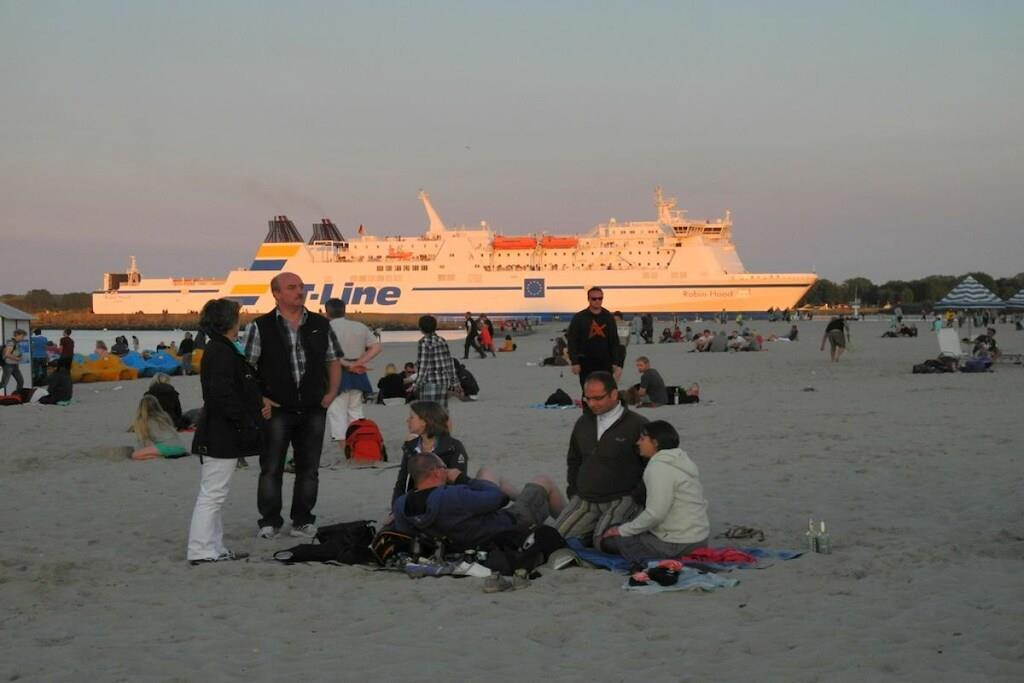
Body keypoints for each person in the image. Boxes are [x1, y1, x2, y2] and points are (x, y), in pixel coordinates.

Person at [243, 272, 343, 540]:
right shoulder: (260, 326)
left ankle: (302, 520)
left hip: (313, 407)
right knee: (271, 467)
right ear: (276, 294)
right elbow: (247, 368)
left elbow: (333, 360)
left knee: (309, 468)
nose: (300, 291)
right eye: (291, 287)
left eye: (301, 286)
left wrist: (332, 392)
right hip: (276, 409)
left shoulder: (321, 324)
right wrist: (260, 398)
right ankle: (269, 521)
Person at [186, 298, 262, 565]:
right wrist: (244, 422)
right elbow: (222, 394)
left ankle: (214, 546)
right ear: (229, 321)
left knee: (215, 493)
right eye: (237, 317)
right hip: (220, 431)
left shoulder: (223, 349)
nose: (240, 321)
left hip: (222, 430)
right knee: (212, 494)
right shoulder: (221, 351)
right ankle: (200, 549)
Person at [392, 452, 564, 551]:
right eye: (444, 468)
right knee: (543, 481)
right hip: (509, 526)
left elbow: (404, 534)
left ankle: (523, 499)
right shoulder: (453, 495)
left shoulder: (401, 504)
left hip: (459, 543)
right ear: (436, 473)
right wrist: (462, 478)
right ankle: (568, 526)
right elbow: (500, 497)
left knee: (486, 473)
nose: (447, 471)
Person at [553, 372, 648, 546]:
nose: (592, 404)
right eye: (588, 398)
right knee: (555, 540)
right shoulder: (583, 423)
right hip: (585, 499)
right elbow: (574, 459)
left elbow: (652, 466)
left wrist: (637, 497)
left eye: (598, 398)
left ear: (614, 394)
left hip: (622, 499)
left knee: (606, 543)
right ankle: (590, 531)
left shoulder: (638, 424)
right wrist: (573, 491)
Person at [600, 420, 709, 563]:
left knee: (609, 541)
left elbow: (655, 514)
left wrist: (622, 531)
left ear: (655, 443)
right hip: (700, 539)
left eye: (642, 439)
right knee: (621, 529)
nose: (638, 443)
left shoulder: (658, 468)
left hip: (679, 543)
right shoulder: (681, 460)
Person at [325, 298, 383, 443]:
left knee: (337, 414)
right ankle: (359, 446)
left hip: (335, 373)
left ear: (327, 312)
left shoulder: (326, 328)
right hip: (357, 372)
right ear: (344, 310)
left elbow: (327, 354)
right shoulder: (359, 326)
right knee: (356, 411)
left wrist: (347, 364)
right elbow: (376, 347)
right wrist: (358, 362)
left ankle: (347, 449)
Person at [392, 401, 469, 503]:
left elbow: (458, 484)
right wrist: (397, 507)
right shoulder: (410, 447)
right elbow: (401, 483)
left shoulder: (453, 447)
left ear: (424, 421)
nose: (407, 420)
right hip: (415, 503)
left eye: (412, 417)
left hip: (444, 503)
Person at [567, 287, 625, 388]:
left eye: (600, 298)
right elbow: (572, 341)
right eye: (594, 299)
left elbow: (614, 341)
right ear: (588, 299)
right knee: (587, 390)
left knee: (605, 389)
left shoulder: (608, 317)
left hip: (605, 362)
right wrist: (574, 362)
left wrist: (616, 362)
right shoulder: (579, 317)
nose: (597, 301)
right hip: (585, 361)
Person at [414, 315, 461, 408]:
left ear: (421, 328)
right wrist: (455, 382)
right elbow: (449, 362)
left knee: (428, 411)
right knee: (440, 411)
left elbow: (424, 365)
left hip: (429, 382)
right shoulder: (442, 340)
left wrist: (416, 383)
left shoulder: (423, 342)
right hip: (443, 381)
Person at [130, 395, 187, 460]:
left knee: (135, 455)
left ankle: (161, 456)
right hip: (180, 447)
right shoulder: (164, 416)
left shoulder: (143, 421)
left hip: (166, 447)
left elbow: (145, 441)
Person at [2, 329, 27, 394]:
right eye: (22, 336)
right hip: (8, 365)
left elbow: (13, 353)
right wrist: (17, 358)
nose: (23, 338)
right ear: (17, 335)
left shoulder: (16, 343)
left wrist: (19, 355)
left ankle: (18, 395)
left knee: (20, 381)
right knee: (4, 383)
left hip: (14, 365)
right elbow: (7, 354)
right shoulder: (11, 343)